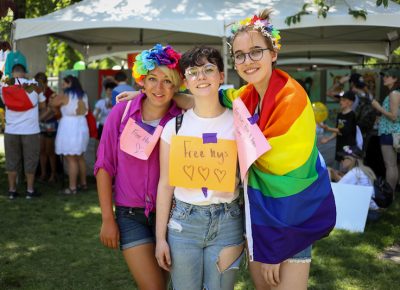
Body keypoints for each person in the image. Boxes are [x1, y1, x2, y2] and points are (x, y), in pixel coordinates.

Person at [117, 10, 336, 289]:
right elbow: (207, 97)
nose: (248, 60)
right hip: (256, 220)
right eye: (241, 55)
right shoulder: (246, 97)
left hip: (289, 220)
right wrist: (151, 93)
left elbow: (285, 183)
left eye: (256, 51)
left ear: (274, 53)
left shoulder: (289, 98)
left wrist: (275, 248)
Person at [94, 44, 183, 290]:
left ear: (177, 85)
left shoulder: (183, 117)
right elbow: (104, 167)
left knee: (166, 284)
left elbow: (209, 101)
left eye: (167, 81)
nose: (159, 87)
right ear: (141, 80)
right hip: (130, 215)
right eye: (152, 79)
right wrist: (107, 218)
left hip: (173, 214)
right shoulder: (121, 113)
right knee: (153, 287)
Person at [155, 46, 244, 290]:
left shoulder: (239, 124)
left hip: (228, 221)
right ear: (185, 81)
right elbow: (165, 184)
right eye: (193, 72)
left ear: (222, 77)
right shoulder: (174, 127)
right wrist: (160, 238)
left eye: (208, 69)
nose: (201, 77)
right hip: (183, 224)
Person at [0, 63, 46, 199]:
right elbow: (43, 106)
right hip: (31, 130)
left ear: (12, 73)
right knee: (30, 160)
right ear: (25, 72)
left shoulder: (4, 86)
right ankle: (30, 191)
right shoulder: (34, 84)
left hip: (11, 130)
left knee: (12, 161)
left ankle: (12, 191)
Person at [51, 75, 89, 194]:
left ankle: (72, 188)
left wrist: (54, 97)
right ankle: (83, 184)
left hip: (70, 127)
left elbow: (52, 103)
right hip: (82, 124)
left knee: (71, 158)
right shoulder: (83, 95)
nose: (62, 85)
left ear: (70, 83)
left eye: (64, 83)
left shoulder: (65, 96)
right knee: (80, 157)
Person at [371, 68, 400, 196]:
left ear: (395, 79)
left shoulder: (394, 94)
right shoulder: (395, 93)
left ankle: (389, 195)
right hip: (392, 132)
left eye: (387, 76)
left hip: (390, 133)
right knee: (393, 165)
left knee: (391, 166)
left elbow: (394, 116)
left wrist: (378, 107)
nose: (384, 78)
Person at [329, 145, 379, 212]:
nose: (341, 161)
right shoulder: (361, 170)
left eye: (343, 159)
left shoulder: (354, 173)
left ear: (351, 160)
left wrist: (333, 175)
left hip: (367, 212)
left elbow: (337, 190)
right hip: (370, 208)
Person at [320, 91, 358, 165]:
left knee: (346, 166)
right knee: (338, 165)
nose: (341, 102)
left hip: (348, 147)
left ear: (350, 103)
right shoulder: (340, 115)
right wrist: (328, 139)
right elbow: (337, 130)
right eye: (340, 100)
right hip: (339, 146)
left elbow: (344, 130)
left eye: (344, 100)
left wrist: (328, 128)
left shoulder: (351, 115)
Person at [35, 72, 58, 183]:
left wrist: (42, 117)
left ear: (45, 82)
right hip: (40, 124)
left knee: (50, 151)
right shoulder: (35, 92)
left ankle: (53, 174)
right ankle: (43, 173)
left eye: (41, 82)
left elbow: (54, 111)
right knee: (41, 151)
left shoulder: (51, 93)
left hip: (50, 125)